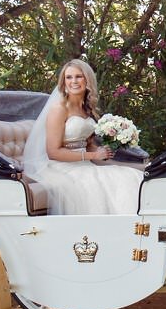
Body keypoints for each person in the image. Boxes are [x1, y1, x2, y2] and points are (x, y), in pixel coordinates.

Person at [21, 59, 143, 214]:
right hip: (61, 167)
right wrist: (93, 154)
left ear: (87, 79)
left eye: (79, 76)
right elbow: (53, 152)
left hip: (84, 164)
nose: (74, 81)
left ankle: (132, 229)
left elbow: (89, 144)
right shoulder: (59, 109)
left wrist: (104, 152)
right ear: (63, 81)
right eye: (69, 77)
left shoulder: (88, 108)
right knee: (96, 183)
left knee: (129, 175)